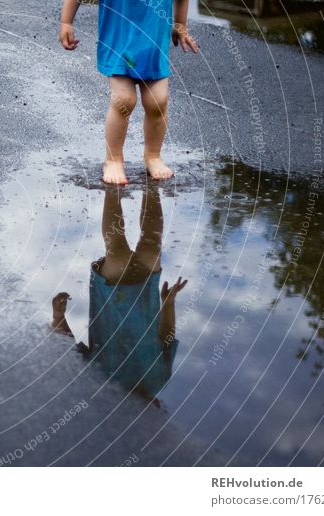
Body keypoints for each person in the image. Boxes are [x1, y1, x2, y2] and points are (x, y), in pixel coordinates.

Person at [52, 184, 186, 400]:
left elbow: (71, 350)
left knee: (117, 250)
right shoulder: (159, 379)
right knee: (152, 244)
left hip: (111, 294)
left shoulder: (102, 383)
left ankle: (112, 188)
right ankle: (151, 187)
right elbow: (166, 338)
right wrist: (168, 303)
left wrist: (58, 317)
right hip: (145, 293)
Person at [58, 0, 199, 184]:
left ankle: (153, 156)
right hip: (118, 43)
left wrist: (180, 25)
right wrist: (66, 23)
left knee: (158, 101)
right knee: (124, 99)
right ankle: (113, 159)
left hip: (153, 46)